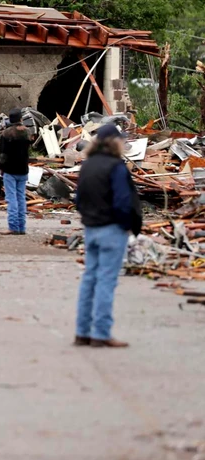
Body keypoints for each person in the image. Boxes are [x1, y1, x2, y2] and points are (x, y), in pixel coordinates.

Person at [74, 123, 142, 348]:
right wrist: (126, 225)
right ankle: (101, 334)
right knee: (106, 281)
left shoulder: (88, 165)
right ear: (114, 142)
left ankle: (82, 332)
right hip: (112, 229)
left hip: (91, 229)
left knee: (89, 279)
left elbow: (78, 199)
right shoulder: (116, 167)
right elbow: (123, 202)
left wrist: (89, 219)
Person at [0, 108, 31, 235]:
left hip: (10, 170)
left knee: (11, 199)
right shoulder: (27, 132)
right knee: (21, 198)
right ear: (21, 119)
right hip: (23, 170)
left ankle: (13, 227)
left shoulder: (6, 134)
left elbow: (2, 154)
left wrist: (1, 167)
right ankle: (21, 227)